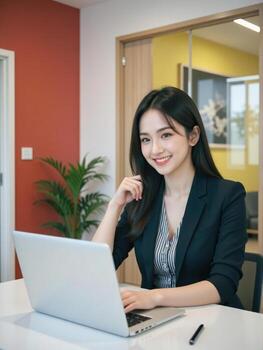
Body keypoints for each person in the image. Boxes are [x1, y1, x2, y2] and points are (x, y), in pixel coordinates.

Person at [93, 86, 247, 312]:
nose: (155, 149)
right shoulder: (142, 197)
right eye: (145, 139)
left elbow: (223, 284)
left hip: (211, 320)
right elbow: (99, 269)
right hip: (155, 320)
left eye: (166, 135)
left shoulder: (227, 196)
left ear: (193, 136)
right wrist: (114, 206)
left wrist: (155, 297)